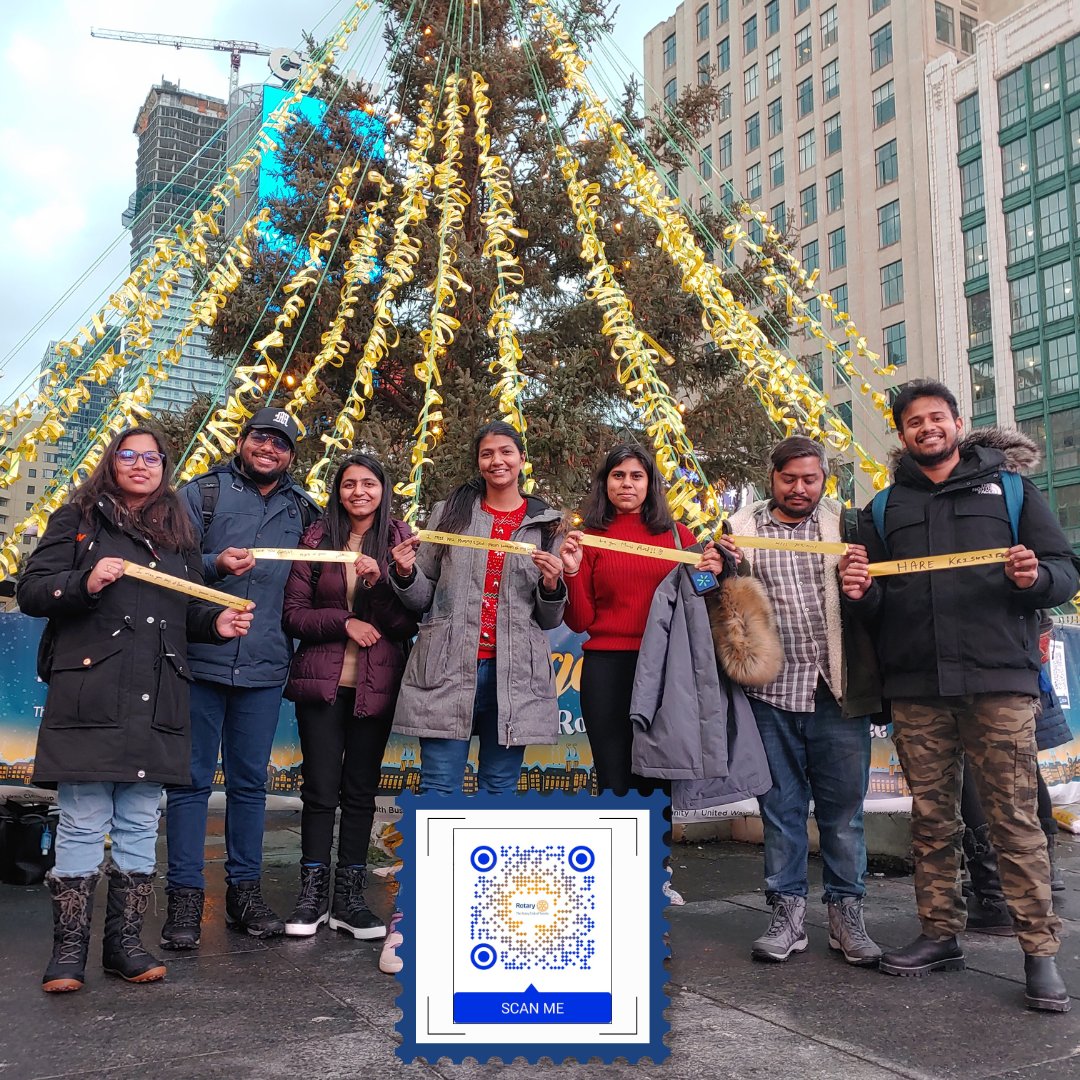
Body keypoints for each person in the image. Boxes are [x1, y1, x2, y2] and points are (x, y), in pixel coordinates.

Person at [840, 380, 1078, 1013]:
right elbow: (877, 604)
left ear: (957, 422)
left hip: (999, 679)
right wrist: (859, 591)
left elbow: (1064, 570)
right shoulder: (884, 509)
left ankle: (1039, 951)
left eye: (936, 418)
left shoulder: (1012, 490)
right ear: (902, 434)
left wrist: (1036, 577)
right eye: (914, 422)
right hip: (918, 686)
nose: (926, 428)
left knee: (1014, 818)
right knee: (932, 819)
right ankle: (940, 932)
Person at [17, 428, 252, 992]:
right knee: (81, 822)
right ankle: (68, 952)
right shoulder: (78, 517)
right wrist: (84, 580)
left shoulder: (179, 531)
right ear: (112, 461)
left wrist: (214, 625)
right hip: (90, 693)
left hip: (159, 694)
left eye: (151, 457)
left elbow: (188, 610)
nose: (141, 465)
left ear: (164, 467)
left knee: (141, 821)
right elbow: (32, 590)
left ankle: (124, 945)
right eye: (130, 455)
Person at [718, 436, 881, 966]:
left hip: (836, 690)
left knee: (842, 816)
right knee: (781, 811)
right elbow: (711, 592)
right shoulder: (740, 530)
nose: (799, 488)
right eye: (789, 478)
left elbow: (878, 600)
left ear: (824, 479)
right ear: (773, 477)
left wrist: (864, 586)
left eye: (810, 479)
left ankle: (845, 916)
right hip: (770, 693)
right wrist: (712, 568)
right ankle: (786, 916)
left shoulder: (848, 528)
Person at [162, 407, 319, 948]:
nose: (268, 448)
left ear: (292, 456)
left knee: (251, 785)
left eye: (281, 443)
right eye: (261, 437)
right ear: (242, 440)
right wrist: (214, 565)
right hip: (200, 658)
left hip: (265, 666)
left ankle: (244, 895)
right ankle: (183, 899)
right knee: (189, 783)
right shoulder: (199, 494)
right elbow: (165, 566)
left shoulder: (305, 510)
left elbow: (315, 583)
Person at [389, 420, 566, 794]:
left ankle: (486, 855)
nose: (496, 461)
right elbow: (422, 598)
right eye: (487, 454)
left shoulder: (547, 526)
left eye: (505, 452)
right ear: (478, 462)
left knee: (499, 789)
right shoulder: (450, 515)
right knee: (438, 787)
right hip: (447, 668)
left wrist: (552, 583)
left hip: (513, 674)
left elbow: (550, 619)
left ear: (521, 459)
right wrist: (405, 573)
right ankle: (438, 856)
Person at [281, 454, 416, 940]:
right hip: (321, 684)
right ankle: (312, 895)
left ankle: (349, 900)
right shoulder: (316, 539)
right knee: (319, 789)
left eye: (369, 484)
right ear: (337, 491)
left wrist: (387, 584)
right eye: (348, 484)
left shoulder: (402, 540)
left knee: (360, 791)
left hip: (375, 685)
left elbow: (407, 623)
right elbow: (293, 615)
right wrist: (344, 622)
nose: (358, 492)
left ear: (384, 489)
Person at [559, 445, 700, 795]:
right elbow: (579, 621)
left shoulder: (680, 537)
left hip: (668, 666)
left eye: (637, 476)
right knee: (614, 776)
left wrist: (715, 570)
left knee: (661, 773)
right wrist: (573, 572)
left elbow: (702, 597)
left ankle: (657, 851)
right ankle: (621, 849)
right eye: (618, 475)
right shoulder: (586, 538)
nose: (627, 484)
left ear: (650, 484)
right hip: (607, 669)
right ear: (604, 483)